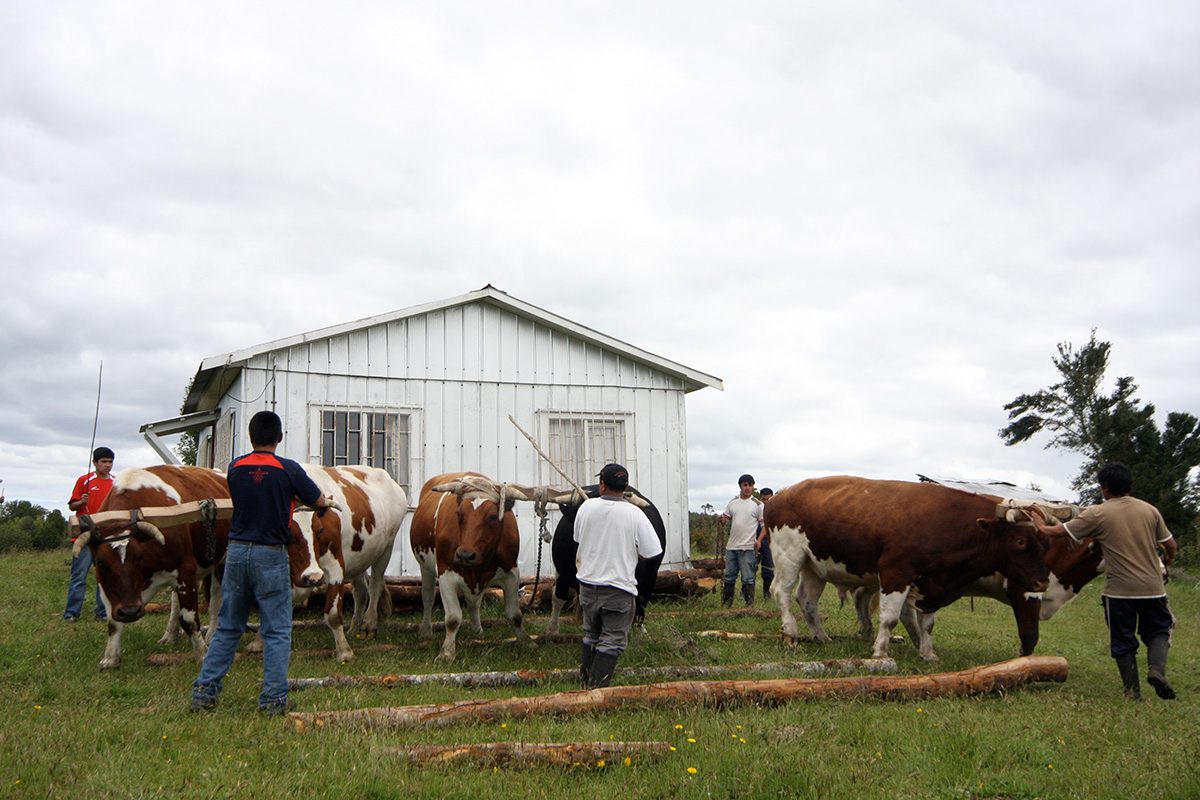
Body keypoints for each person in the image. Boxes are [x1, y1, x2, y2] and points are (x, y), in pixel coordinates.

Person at [191, 411, 330, 715]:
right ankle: (272, 700)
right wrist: (325, 502)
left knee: (228, 626)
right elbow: (317, 500)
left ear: (251, 437)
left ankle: (204, 692)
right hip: (271, 553)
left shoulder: (235, 467)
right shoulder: (288, 469)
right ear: (279, 438)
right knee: (277, 629)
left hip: (237, 553)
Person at [1027, 462, 1178, 701]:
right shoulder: (1150, 510)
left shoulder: (1098, 513)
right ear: (1130, 485)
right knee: (1159, 629)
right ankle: (1156, 670)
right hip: (1153, 589)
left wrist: (1038, 524)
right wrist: (1168, 560)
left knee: (1122, 640)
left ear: (1104, 488)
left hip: (1119, 592)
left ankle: (1132, 693)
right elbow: (1170, 545)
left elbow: (1054, 533)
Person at [574, 463, 663, 689]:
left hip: (587, 586)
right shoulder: (636, 513)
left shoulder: (586, 507)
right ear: (624, 487)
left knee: (591, 635)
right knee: (612, 639)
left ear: (602, 485)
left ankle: (585, 684)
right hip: (618, 589)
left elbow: (577, 538)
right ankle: (597, 690)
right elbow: (652, 551)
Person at [64, 446, 115, 622]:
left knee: (105, 576)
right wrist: (81, 502)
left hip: (106, 535)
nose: (107, 465)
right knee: (79, 576)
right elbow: (72, 506)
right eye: (104, 462)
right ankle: (71, 613)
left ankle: (101, 612)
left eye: (110, 462)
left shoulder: (116, 482)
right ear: (94, 463)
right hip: (85, 534)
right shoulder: (84, 480)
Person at [718, 474, 763, 607]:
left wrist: (759, 540)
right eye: (745, 485)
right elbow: (726, 518)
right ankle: (726, 604)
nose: (747, 488)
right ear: (740, 486)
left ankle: (749, 605)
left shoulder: (758, 505)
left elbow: (764, 526)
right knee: (729, 577)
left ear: (753, 486)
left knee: (748, 578)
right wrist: (722, 519)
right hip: (731, 547)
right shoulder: (733, 503)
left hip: (748, 547)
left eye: (750, 485)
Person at [755, 487, 775, 600]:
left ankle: (767, 595)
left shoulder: (776, 512)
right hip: (755, 542)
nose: (766, 502)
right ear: (760, 499)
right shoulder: (756, 510)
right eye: (764, 499)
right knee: (751, 568)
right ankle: (747, 594)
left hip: (769, 544)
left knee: (768, 570)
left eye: (768, 499)